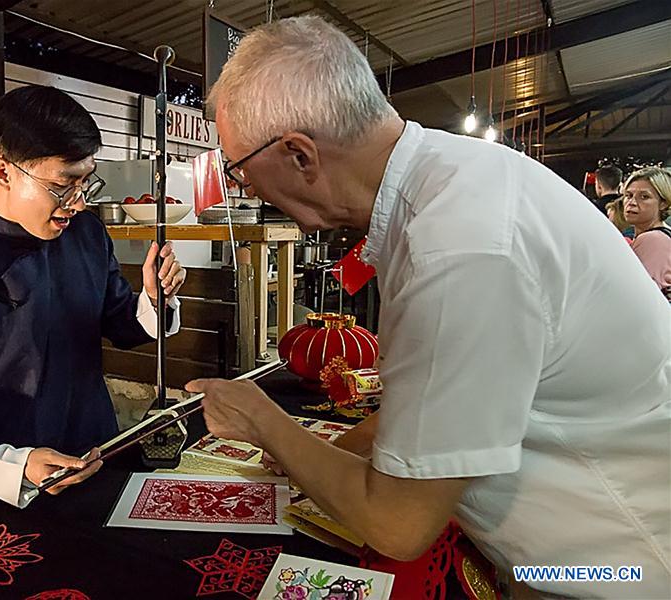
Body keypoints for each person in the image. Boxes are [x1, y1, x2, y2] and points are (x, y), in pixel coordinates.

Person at [187, 16, 670, 599]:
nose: (245, 190)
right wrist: (326, 454)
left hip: (614, 571)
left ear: (299, 155)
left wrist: (265, 423)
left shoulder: (459, 247)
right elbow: (433, 400)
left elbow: (399, 524)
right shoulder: (448, 180)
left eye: (238, 169)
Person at [0, 85, 187, 507]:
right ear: (3, 172)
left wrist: (154, 297)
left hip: (97, 457)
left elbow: (119, 320)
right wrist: (15, 464)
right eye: (64, 185)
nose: (78, 203)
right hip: (4, 490)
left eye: (86, 182)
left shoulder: (87, 235)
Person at [624, 167, 671, 298]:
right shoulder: (663, 235)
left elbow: (634, 296)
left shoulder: (653, 239)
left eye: (644, 197)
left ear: (663, 203)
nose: (631, 203)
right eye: (628, 195)